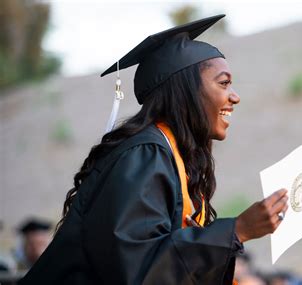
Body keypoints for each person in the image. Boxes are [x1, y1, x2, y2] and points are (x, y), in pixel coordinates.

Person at [19, 14, 288, 284]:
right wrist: (236, 230)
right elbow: (137, 270)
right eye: (223, 83)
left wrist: (208, 241)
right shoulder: (145, 154)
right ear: (187, 90)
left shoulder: (172, 157)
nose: (235, 96)